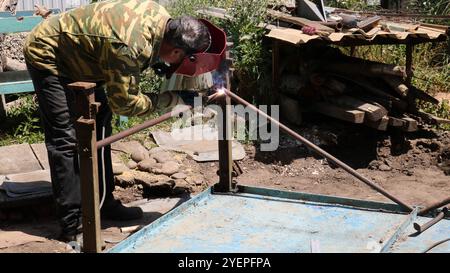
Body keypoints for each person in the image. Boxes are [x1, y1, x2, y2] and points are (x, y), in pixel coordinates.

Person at [23, 0, 226, 242]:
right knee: (65, 139)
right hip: (50, 54)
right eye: (180, 61)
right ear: (175, 51)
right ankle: (73, 224)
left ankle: (104, 202)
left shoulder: (163, 21)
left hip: (89, 56)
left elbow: (127, 59)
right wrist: (172, 99)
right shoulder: (130, 46)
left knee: (101, 128)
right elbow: (126, 104)